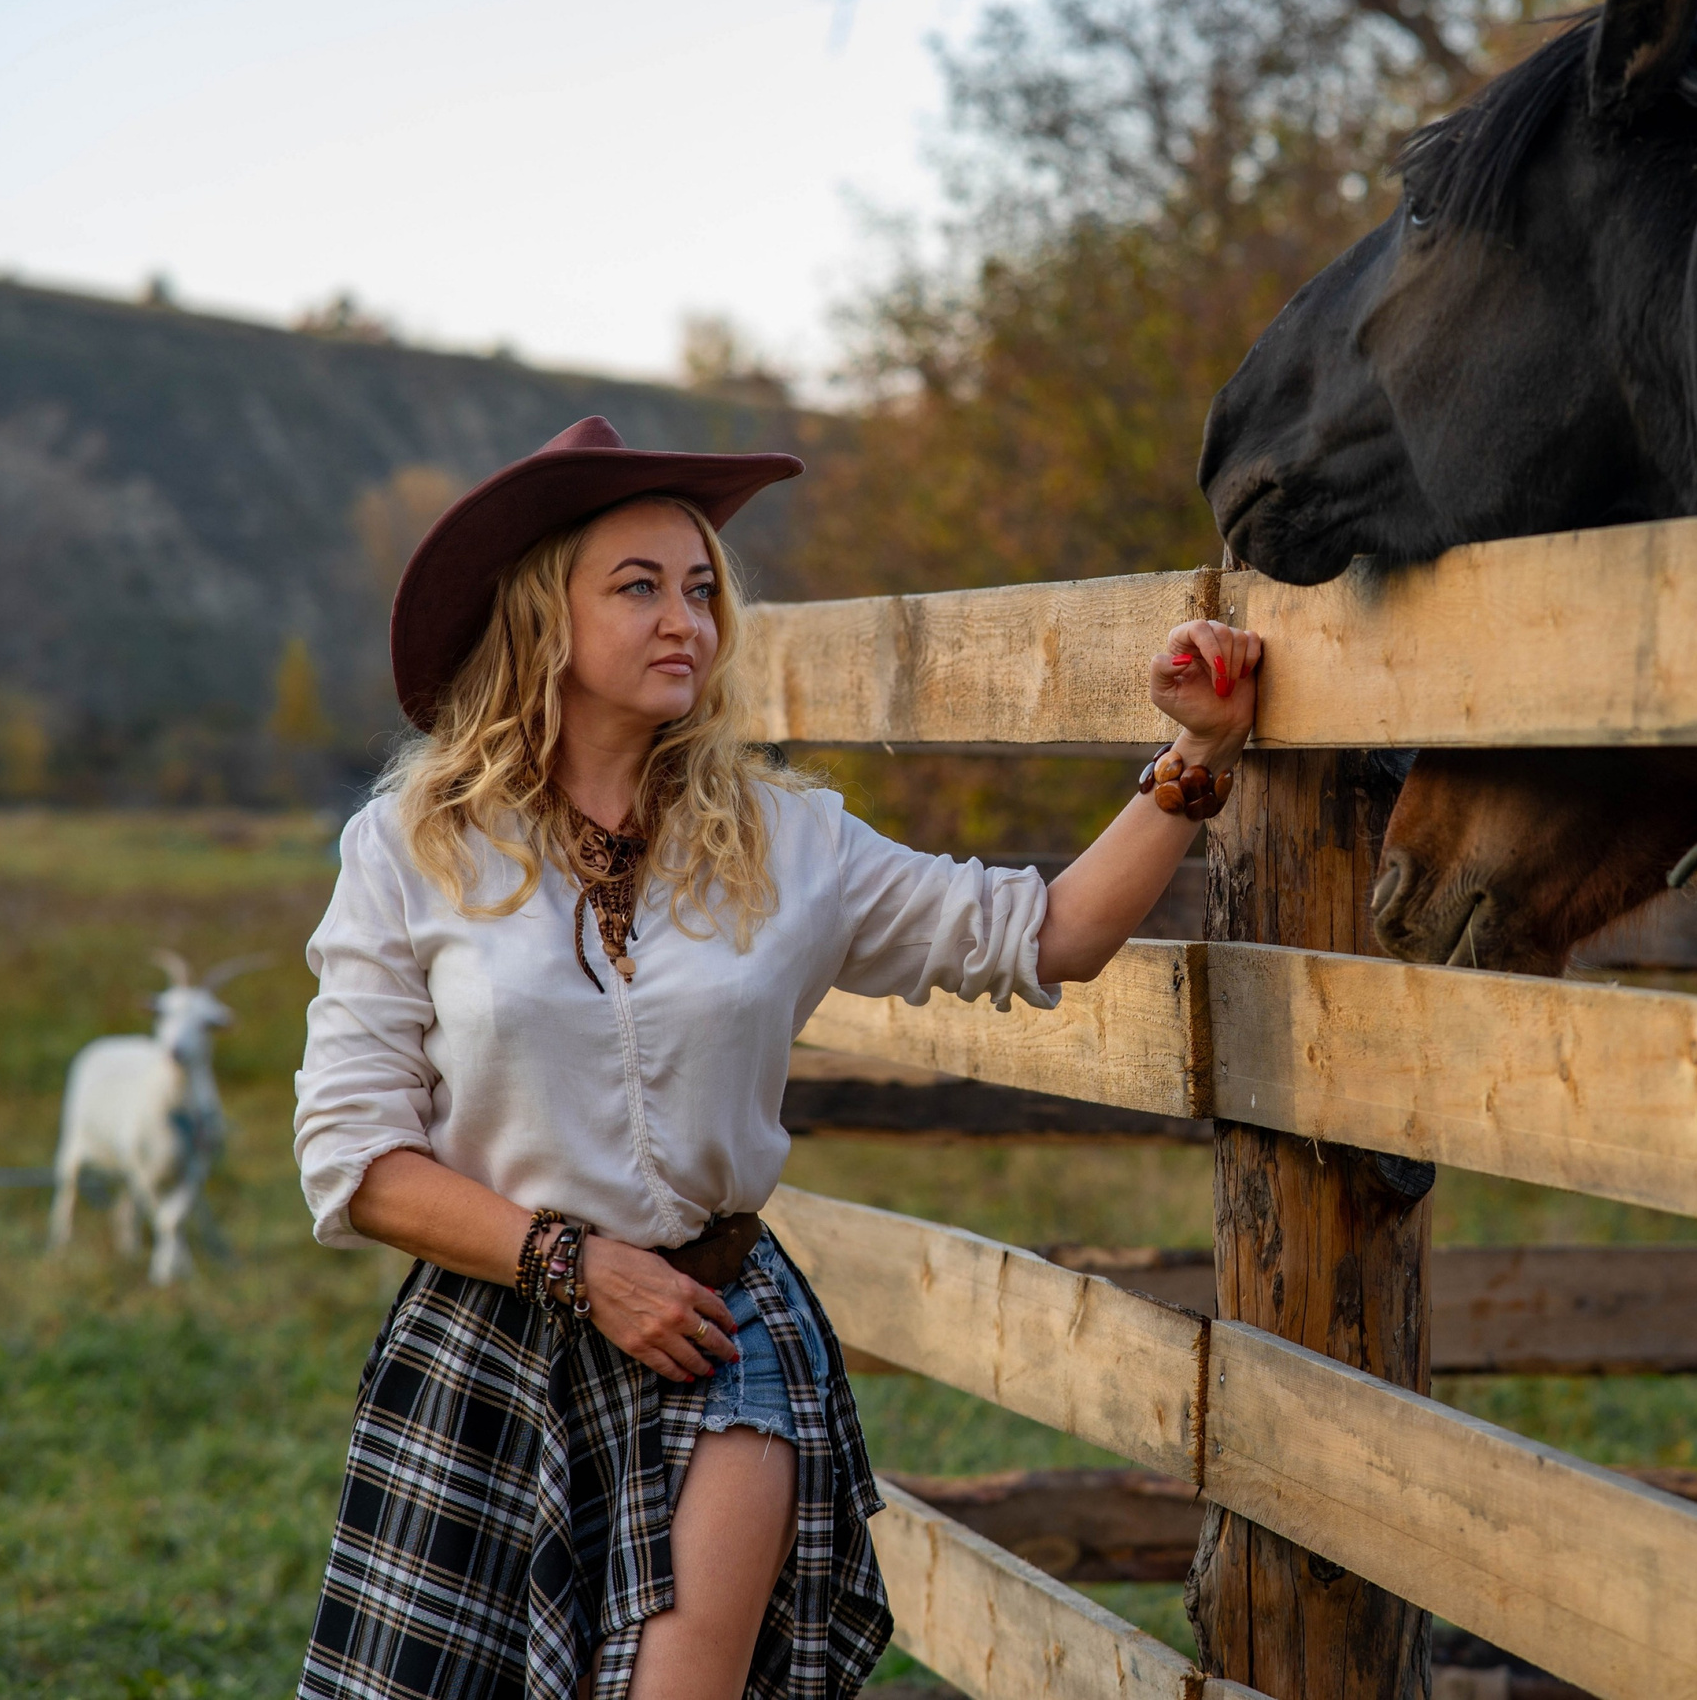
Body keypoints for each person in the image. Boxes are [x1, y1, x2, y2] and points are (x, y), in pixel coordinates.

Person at [292, 417, 1257, 1700]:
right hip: (489, 1345)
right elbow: (353, 1159)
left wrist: (1196, 757)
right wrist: (574, 1264)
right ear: (542, 618)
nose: (683, 616)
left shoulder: (792, 837)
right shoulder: (410, 846)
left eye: (700, 588)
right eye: (637, 587)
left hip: (712, 1324)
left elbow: (1048, 930)